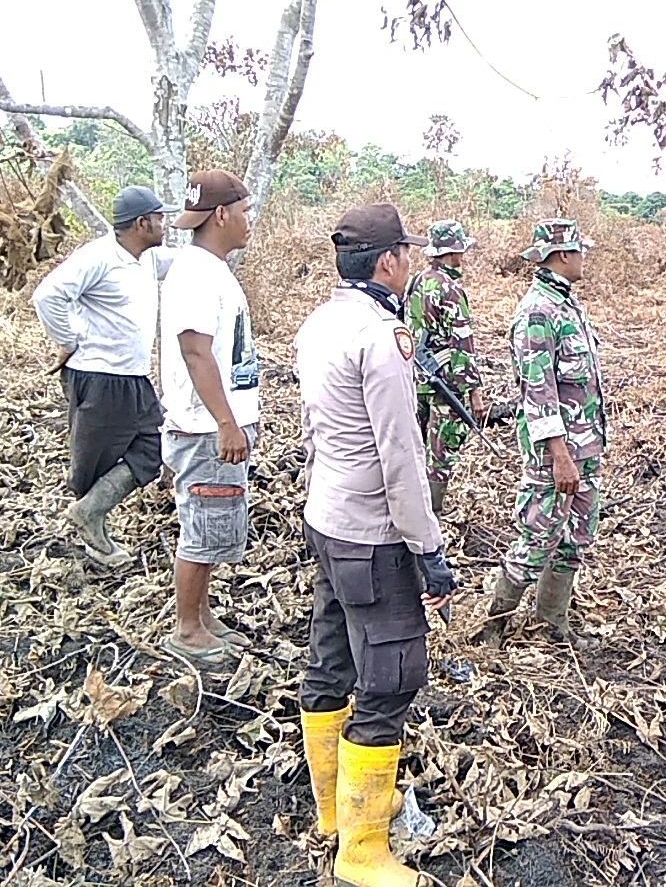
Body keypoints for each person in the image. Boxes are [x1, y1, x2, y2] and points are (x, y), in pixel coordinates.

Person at [294, 203, 456, 886]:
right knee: (389, 679)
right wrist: (428, 546)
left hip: (327, 518)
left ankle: (335, 810)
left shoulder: (320, 321)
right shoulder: (383, 337)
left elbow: (313, 428)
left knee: (331, 660)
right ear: (388, 262)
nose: (411, 264)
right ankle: (361, 852)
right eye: (407, 254)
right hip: (373, 534)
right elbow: (401, 455)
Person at [31, 185, 178, 567]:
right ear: (142, 223)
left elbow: (183, 263)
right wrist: (68, 340)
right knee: (95, 459)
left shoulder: (146, 258)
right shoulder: (98, 257)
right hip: (101, 375)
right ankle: (92, 523)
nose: (165, 224)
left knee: (155, 445)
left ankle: (91, 513)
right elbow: (48, 296)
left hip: (131, 376)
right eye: (160, 218)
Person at [477, 218, 607, 649]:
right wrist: (559, 453)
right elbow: (538, 388)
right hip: (558, 451)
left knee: (576, 536)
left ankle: (552, 624)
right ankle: (494, 627)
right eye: (580, 251)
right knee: (538, 535)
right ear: (563, 255)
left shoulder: (568, 304)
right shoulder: (539, 311)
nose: (584, 258)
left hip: (585, 442)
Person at [158, 170, 259, 666]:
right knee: (201, 527)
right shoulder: (196, 272)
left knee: (215, 524)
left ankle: (203, 613)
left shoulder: (211, 268)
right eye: (243, 212)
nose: (248, 222)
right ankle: (187, 628)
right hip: (204, 428)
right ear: (221, 215)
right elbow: (196, 352)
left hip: (214, 423)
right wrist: (225, 422)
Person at [405, 219, 487, 513]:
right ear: (453, 253)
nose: (463, 257)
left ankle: (414, 506)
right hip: (445, 385)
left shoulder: (415, 281)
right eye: (461, 251)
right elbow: (462, 344)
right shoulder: (450, 289)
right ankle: (432, 512)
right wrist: (474, 391)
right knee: (440, 454)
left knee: (416, 447)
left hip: (417, 380)